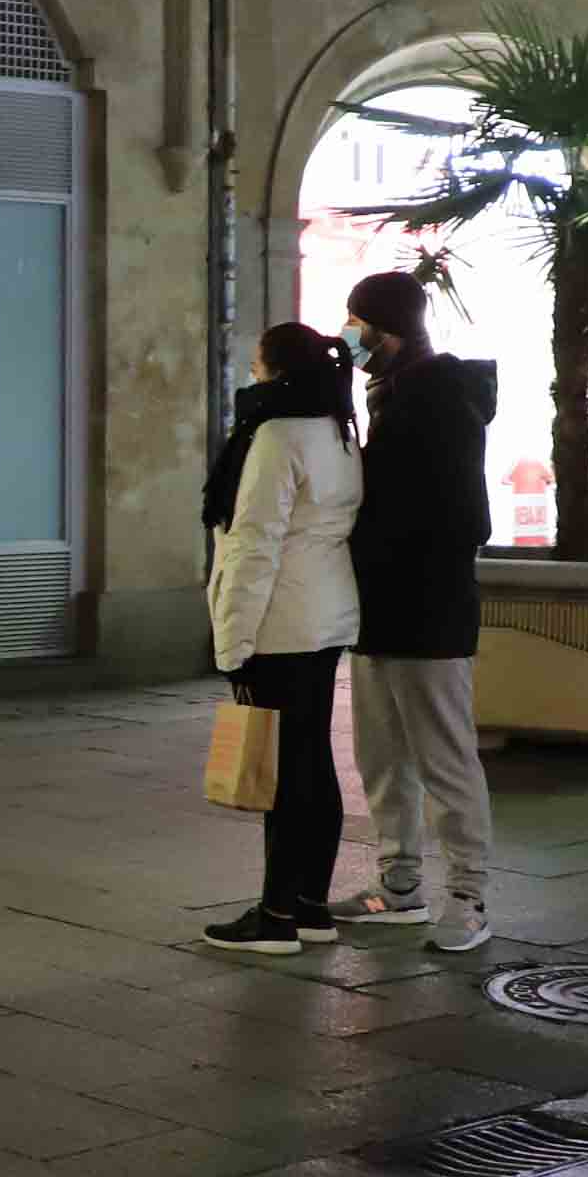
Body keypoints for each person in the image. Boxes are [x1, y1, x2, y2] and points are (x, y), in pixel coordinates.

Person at [197, 323, 366, 953]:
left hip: (279, 620)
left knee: (282, 770)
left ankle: (274, 917)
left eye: (258, 363)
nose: (251, 373)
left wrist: (231, 641)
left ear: (277, 371)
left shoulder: (274, 435)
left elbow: (254, 544)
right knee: (311, 759)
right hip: (324, 614)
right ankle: (310, 906)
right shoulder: (338, 431)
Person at [344, 271, 496, 952]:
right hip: (380, 607)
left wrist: (381, 529)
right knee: (382, 756)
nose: (351, 340)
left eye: (359, 328)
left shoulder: (440, 398)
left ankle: (468, 896)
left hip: (430, 610)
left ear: (391, 331)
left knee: (443, 758)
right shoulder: (391, 393)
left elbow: (466, 517)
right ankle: (399, 884)